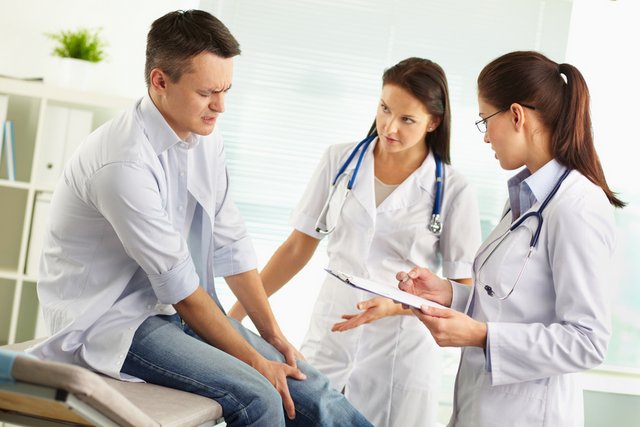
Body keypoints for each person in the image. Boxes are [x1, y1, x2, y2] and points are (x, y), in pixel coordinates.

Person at [28, 9, 372, 427]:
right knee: (261, 395)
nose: (221, 106)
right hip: (114, 324)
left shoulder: (204, 136)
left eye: (226, 90)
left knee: (310, 387)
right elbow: (184, 292)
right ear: (160, 81)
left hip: (175, 311)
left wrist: (273, 335)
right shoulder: (122, 164)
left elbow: (231, 243)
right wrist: (255, 362)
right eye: (208, 92)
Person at [230, 57, 482, 426]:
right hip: (331, 335)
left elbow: (461, 290)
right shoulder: (340, 160)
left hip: (400, 352)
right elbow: (297, 248)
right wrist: (232, 318)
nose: (389, 126)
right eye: (384, 109)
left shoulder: (455, 189)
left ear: (434, 122)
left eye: (407, 119)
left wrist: (396, 306)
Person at [399, 50, 625, 427]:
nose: (486, 135)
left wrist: (482, 336)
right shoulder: (526, 197)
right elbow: (512, 303)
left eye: (486, 119)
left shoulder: (577, 207)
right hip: (483, 408)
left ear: (517, 115)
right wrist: (450, 294)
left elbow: (587, 341)